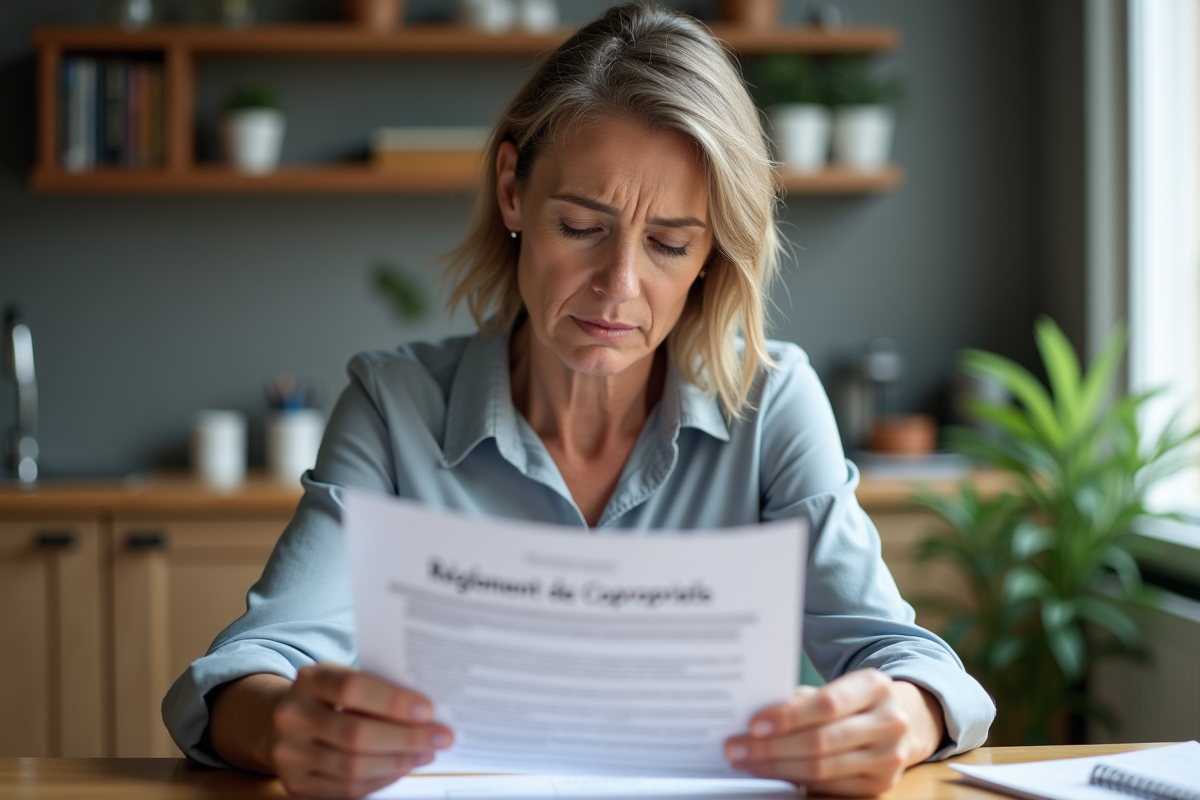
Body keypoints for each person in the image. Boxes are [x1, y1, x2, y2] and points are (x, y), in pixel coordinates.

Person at [163, 3, 995, 797]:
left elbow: (907, 659)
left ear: (713, 254)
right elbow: (247, 667)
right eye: (582, 227)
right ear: (514, 191)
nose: (620, 287)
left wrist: (904, 716)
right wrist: (285, 725)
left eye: (670, 243)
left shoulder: (772, 404)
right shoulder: (394, 406)